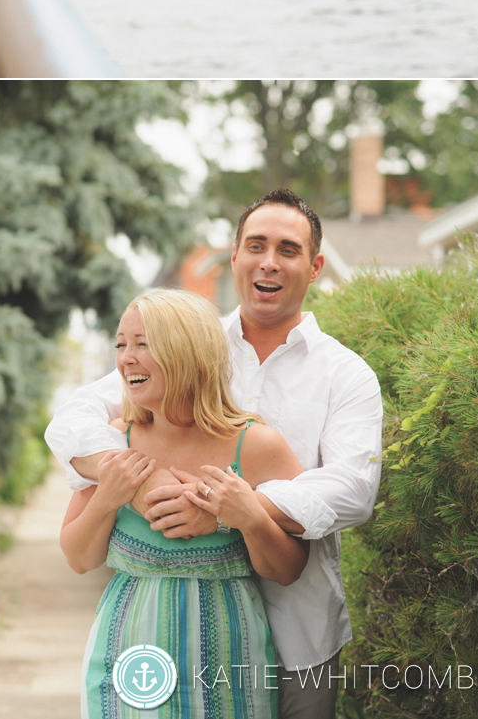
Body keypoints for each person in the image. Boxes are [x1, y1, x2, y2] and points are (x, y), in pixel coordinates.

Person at [45, 189, 383, 719]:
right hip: (149, 640)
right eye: (256, 245)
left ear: (315, 267)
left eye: (288, 250)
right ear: (234, 256)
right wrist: (139, 481)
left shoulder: (346, 375)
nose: (269, 262)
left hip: (297, 631)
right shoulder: (184, 342)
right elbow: (74, 421)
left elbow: (355, 491)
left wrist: (226, 507)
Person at [62, 289, 306, 718]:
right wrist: (107, 497)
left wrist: (248, 518)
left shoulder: (257, 446)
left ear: (187, 351)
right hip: (125, 660)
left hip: (227, 667)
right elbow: (79, 559)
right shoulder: (111, 440)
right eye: (121, 344)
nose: (126, 358)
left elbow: (289, 570)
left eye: (143, 343)